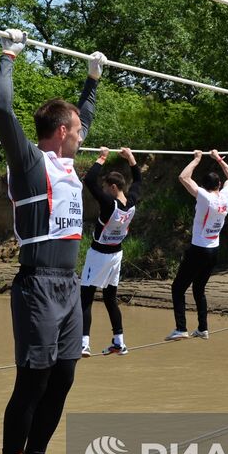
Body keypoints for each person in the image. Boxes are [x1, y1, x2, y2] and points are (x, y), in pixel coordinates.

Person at [0, 28, 105, 454]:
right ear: (62, 131)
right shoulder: (30, 163)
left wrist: (92, 80)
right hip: (38, 284)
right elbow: (2, 109)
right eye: (78, 129)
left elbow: (86, 116)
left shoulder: (68, 164)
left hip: (69, 287)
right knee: (32, 382)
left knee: (62, 379)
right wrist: (8, 55)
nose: (83, 134)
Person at [80, 146, 142, 357]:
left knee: (85, 297)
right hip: (116, 255)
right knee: (109, 298)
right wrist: (131, 159)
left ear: (114, 187)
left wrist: (102, 157)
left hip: (98, 255)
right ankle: (119, 341)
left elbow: (89, 181)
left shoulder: (109, 204)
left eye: (106, 187)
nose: (104, 190)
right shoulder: (132, 202)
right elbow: (139, 182)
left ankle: (83, 344)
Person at [169, 149, 228, 341]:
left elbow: (183, 177)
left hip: (198, 250)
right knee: (198, 289)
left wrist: (197, 159)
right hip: (213, 251)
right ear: (219, 185)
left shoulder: (204, 197)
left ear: (204, 187)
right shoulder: (225, 196)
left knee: (177, 289)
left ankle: (181, 328)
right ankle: (202, 328)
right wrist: (218, 159)